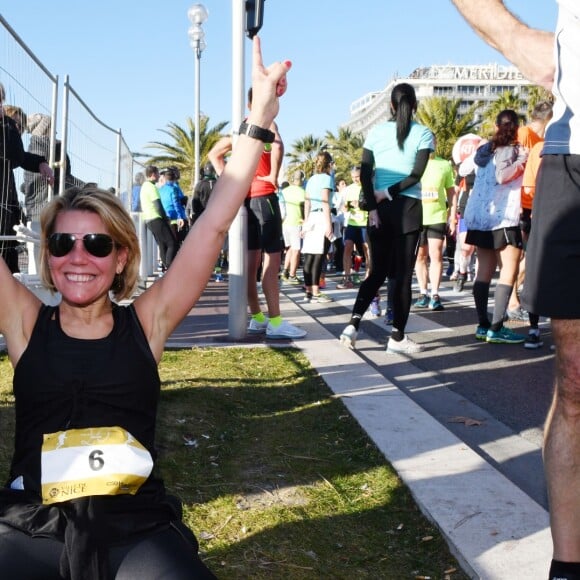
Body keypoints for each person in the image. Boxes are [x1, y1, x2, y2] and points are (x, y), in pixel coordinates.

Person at [0, 36, 290, 579]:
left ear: (122, 256)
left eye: (97, 244)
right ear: (48, 256)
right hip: (31, 520)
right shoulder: (23, 322)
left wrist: (258, 117)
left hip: (132, 523)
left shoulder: (149, 322)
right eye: (62, 244)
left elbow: (213, 223)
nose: (78, 258)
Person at [451, 5, 576, 577]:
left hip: (497, 212)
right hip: (572, 162)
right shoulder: (516, 145)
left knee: (492, 271)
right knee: (574, 384)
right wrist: (510, 33)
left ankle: (488, 322)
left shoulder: (486, 149)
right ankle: (567, 566)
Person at [339, 83, 434, 354]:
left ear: (391, 106)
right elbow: (415, 175)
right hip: (408, 209)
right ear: (415, 105)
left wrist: (373, 206)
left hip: (379, 212)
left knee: (377, 272)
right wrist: (386, 194)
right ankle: (397, 338)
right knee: (402, 277)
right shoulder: (423, 134)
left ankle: (352, 325)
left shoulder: (376, 133)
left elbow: (366, 172)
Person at [209, 88, 306, 339]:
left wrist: (233, 181)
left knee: (251, 264)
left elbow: (214, 154)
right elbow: (278, 145)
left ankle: (259, 318)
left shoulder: (240, 128)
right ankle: (274, 321)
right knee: (272, 262)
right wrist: (273, 176)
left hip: (247, 200)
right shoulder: (266, 122)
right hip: (264, 197)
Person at [462, 109, 528, 344]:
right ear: (517, 128)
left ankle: (482, 324)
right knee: (508, 270)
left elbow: (462, 169)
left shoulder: (483, 149)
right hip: (504, 216)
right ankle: (497, 328)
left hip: (480, 216)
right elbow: (503, 177)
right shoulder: (518, 150)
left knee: (483, 272)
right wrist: (521, 162)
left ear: (497, 126)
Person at [505, 100, 554, 321]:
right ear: (548, 117)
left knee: (528, 255)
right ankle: (513, 300)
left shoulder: (542, 140)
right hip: (523, 203)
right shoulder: (525, 133)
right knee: (525, 255)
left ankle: (517, 299)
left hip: (535, 202)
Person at [0, 89, 54, 273]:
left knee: (9, 261)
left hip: (5, 205)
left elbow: (18, 156)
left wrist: (40, 163)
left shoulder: (6, 126)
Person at [22, 113, 83, 275]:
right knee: (50, 260)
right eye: (52, 128)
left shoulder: (31, 150)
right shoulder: (54, 150)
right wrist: (88, 187)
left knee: (37, 262)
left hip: (34, 210)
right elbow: (65, 179)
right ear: (47, 128)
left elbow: (28, 183)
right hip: (51, 210)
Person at [414, 144, 457, 311]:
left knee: (436, 254)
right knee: (420, 256)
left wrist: (452, 217)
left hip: (437, 216)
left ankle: (435, 294)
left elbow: (452, 193)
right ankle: (423, 292)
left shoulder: (444, 164)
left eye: (433, 142)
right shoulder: (415, 163)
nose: (430, 146)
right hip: (417, 217)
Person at [301, 151, 334, 303]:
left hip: (311, 217)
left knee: (309, 255)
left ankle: (308, 290)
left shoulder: (311, 179)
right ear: (329, 164)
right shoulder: (327, 179)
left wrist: (306, 222)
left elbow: (307, 202)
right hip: (321, 217)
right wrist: (329, 224)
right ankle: (315, 292)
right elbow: (325, 201)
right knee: (318, 256)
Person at [139, 164, 177, 272]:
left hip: (148, 219)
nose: (158, 176)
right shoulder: (151, 187)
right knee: (171, 243)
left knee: (162, 244)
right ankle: (170, 268)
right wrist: (165, 218)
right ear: (152, 174)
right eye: (157, 173)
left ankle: (166, 268)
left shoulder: (144, 186)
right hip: (155, 218)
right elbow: (158, 205)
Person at [336, 166, 369, 289]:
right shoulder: (348, 189)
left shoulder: (367, 187)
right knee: (347, 248)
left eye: (358, 177)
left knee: (367, 251)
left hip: (365, 223)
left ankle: (367, 277)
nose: (356, 179)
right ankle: (347, 278)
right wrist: (347, 206)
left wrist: (361, 204)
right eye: (354, 177)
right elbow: (342, 207)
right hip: (352, 223)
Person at [279, 169, 305, 285]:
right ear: (302, 180)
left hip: (285, 223)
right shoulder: (303, 192)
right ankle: (292, 275)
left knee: (289, 248)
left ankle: (285, 271)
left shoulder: (285, 191)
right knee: (296, 250)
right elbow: (304, 209)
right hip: (296, 223)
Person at [158, 167, 187, 247]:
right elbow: (177, 202)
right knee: (176, 243)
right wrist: (180, 216)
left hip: (164, 217)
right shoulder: (174, 187)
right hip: (175, 218)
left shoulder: (160, 189)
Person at [188, 161, 216, 226]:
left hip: (202, 216)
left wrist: (196, 214)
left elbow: (195, 202)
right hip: (216, 217)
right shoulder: (219, 184)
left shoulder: (200, 184)